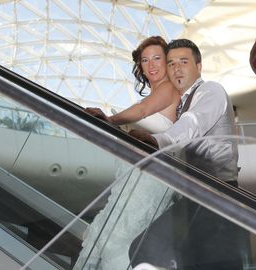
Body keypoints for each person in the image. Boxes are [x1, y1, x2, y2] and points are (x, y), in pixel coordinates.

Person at [127, 39, 243, 270]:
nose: (176, 68)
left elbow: (193, 124)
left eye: (183, 61)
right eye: (171, 63)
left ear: (198, 66)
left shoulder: (211, 91)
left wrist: (156, 140)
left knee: (147, 247)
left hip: (218, 193)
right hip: (197, 195)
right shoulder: (182, 104)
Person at [74, 36, 181, 270]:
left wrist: (110, 120)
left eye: (157, 58)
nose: (151, 65)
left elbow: (143, 110)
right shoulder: (157, 95)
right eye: (145, 60)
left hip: (150, 181)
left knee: (120, 239)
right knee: (109, 236)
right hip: (134, 180)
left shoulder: (170, 89)